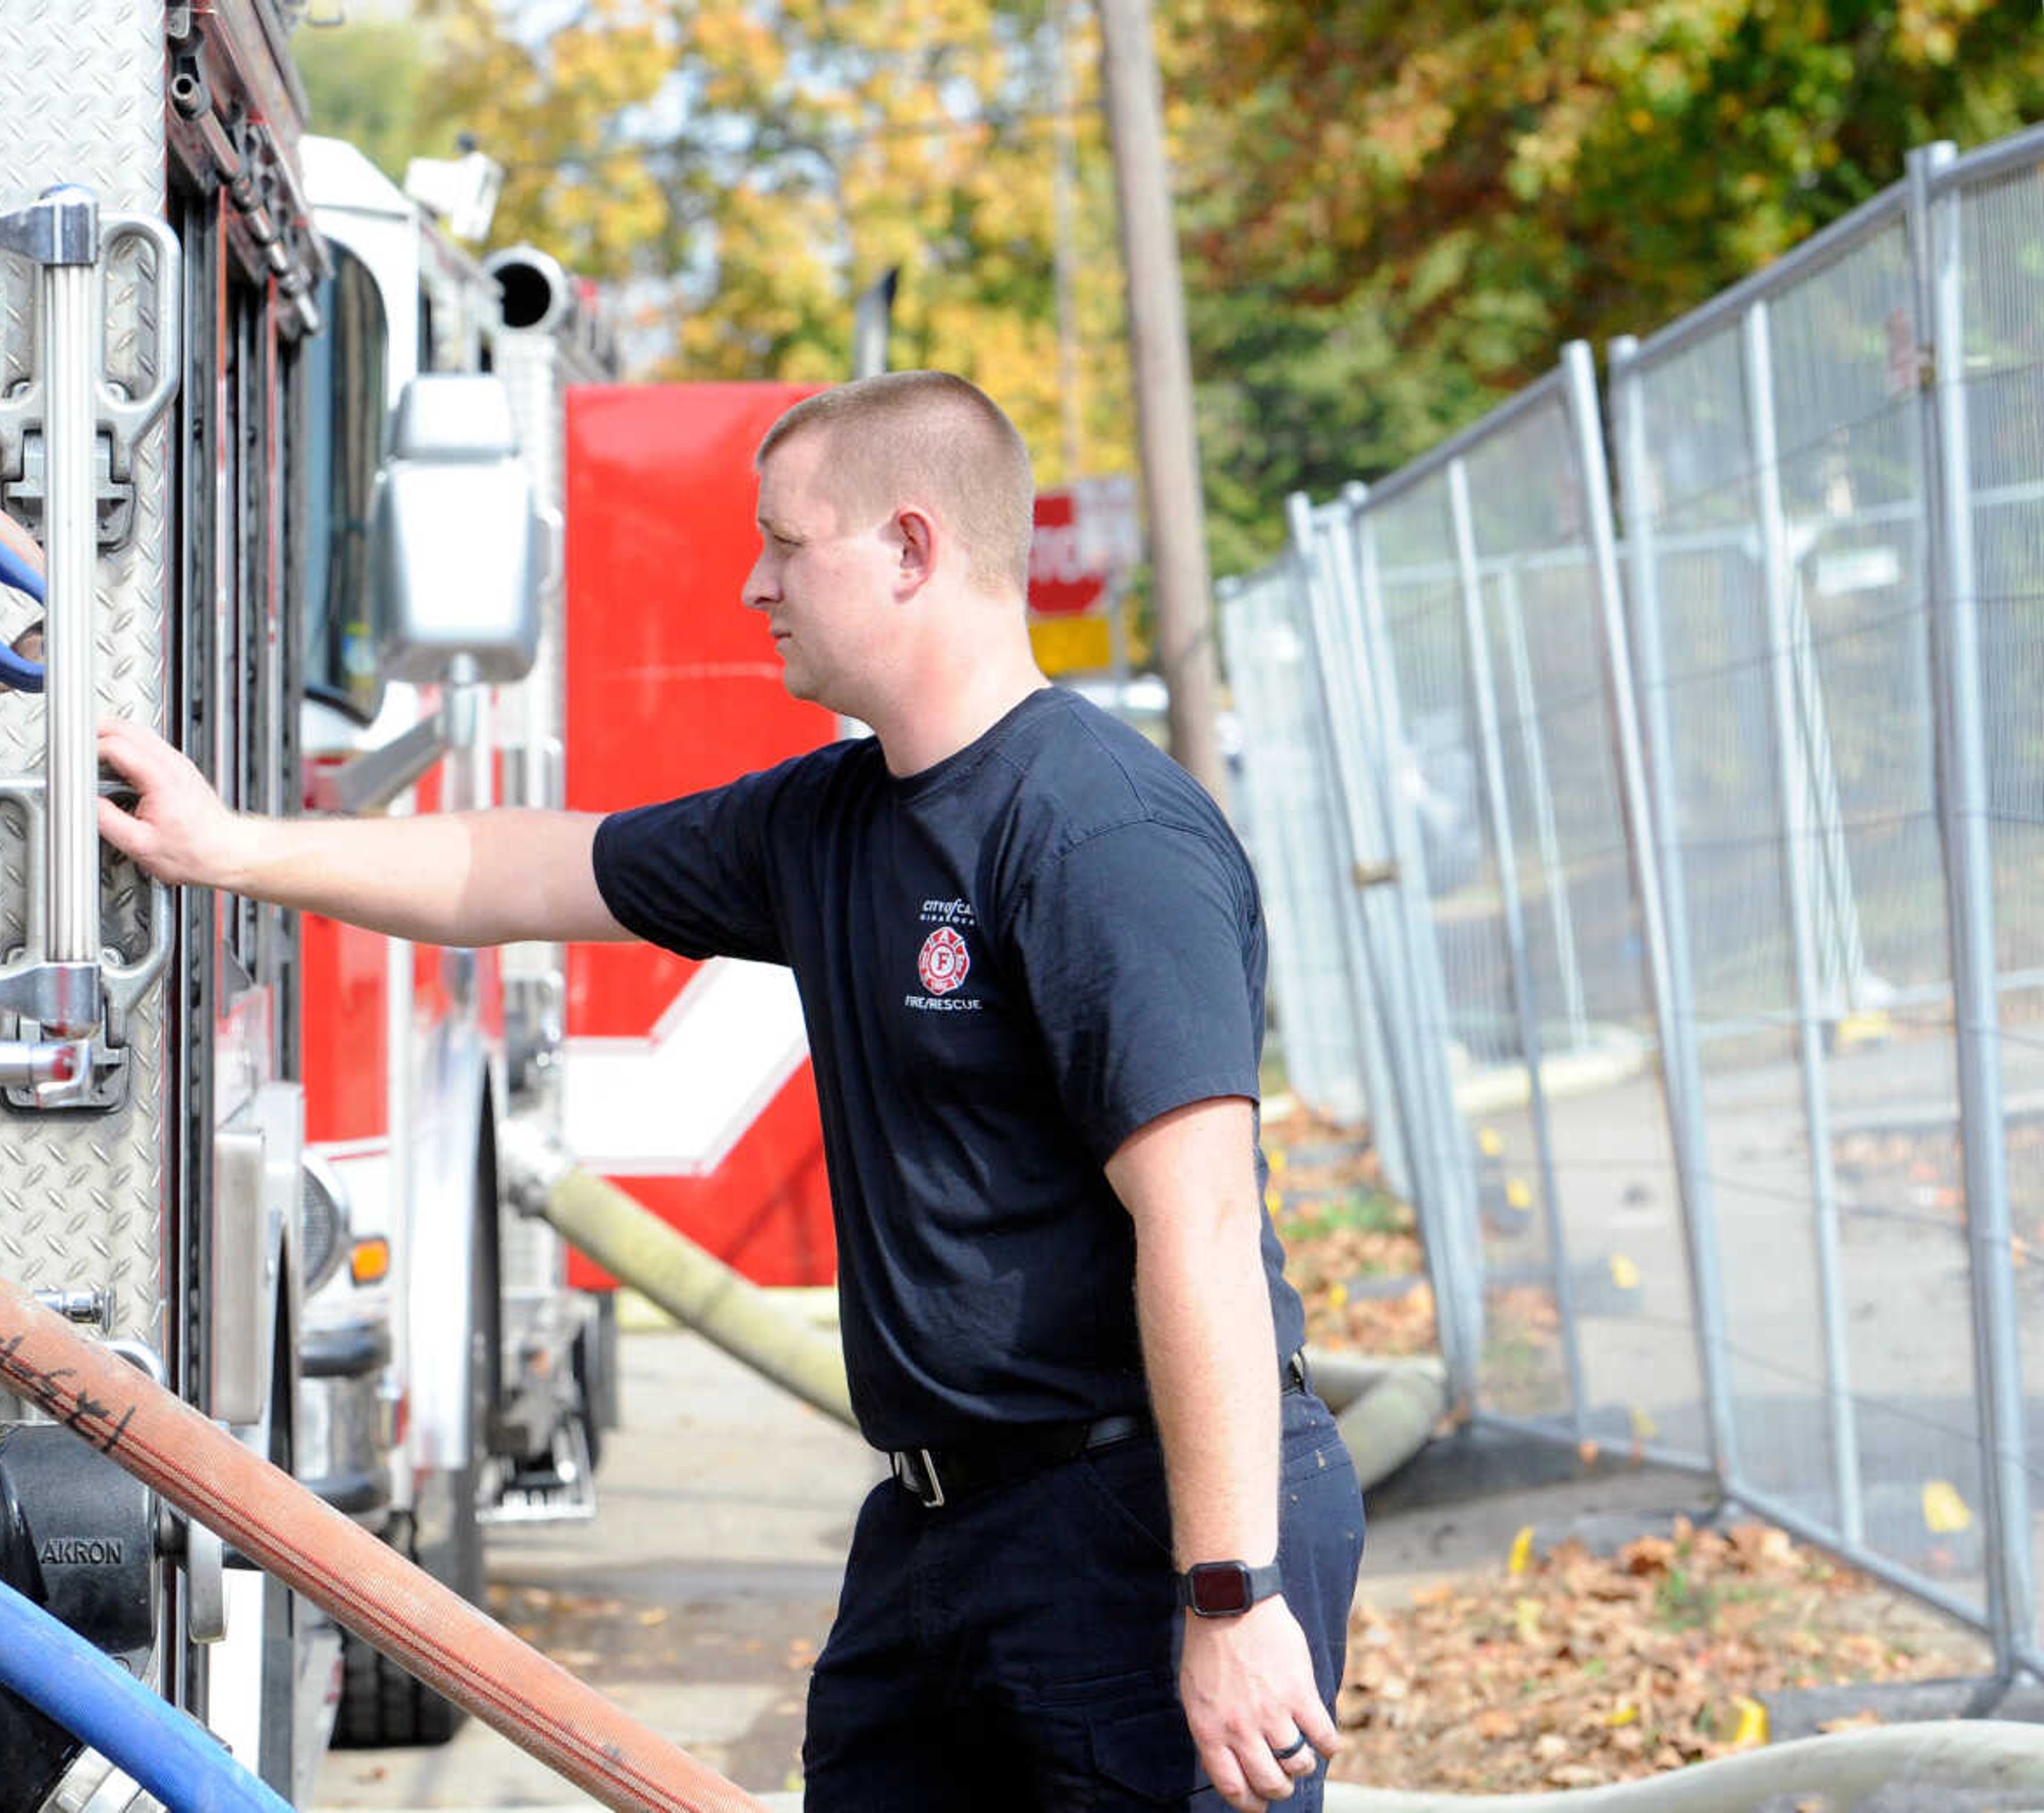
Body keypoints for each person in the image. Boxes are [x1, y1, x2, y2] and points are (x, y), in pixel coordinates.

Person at [97, 369, 1362, 1812]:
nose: (753, 583)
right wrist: (227, 846)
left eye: (785, 542)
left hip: (1145, 1524)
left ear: (909, 547)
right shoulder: (828, 818)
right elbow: (508, 870)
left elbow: (1196, 1230)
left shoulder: (1097, 833)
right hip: (943, 1523)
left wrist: (1228, 1591)